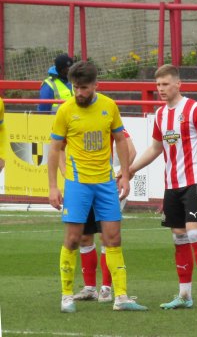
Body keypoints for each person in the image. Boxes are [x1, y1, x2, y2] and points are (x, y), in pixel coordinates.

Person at [47, 60, 147, 313]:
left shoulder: (109, 106)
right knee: (73, 239)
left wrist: (124, 175)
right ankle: (66, 295)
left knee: (113, 237)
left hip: (105, 184)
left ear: (95, 85)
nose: (79, 93)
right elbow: (55, 149)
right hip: (78, 184)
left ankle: (121, 297)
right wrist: (53, 187)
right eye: (75, 87)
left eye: (84, 88)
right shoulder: (65, 111)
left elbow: (121, 141)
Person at [129, 64, 197, 309]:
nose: (161, 89)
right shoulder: (160, 115)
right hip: (172, 185)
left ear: (178, 84)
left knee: (194, 233)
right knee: (179, 238)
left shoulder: (195, 109)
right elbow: (155, 149)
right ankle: (184, 295)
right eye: (158, 85)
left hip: (196, 182)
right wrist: (130, 170)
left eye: (165, 84)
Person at [71, 132, 137, 303]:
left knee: (107, 236)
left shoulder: (108, 119)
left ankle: (106, 288)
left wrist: (121, 173)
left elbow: (131, 150)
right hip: (85, 184)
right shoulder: (79, 121)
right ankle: (90, 288)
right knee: (84, 236)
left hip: (107, 185)